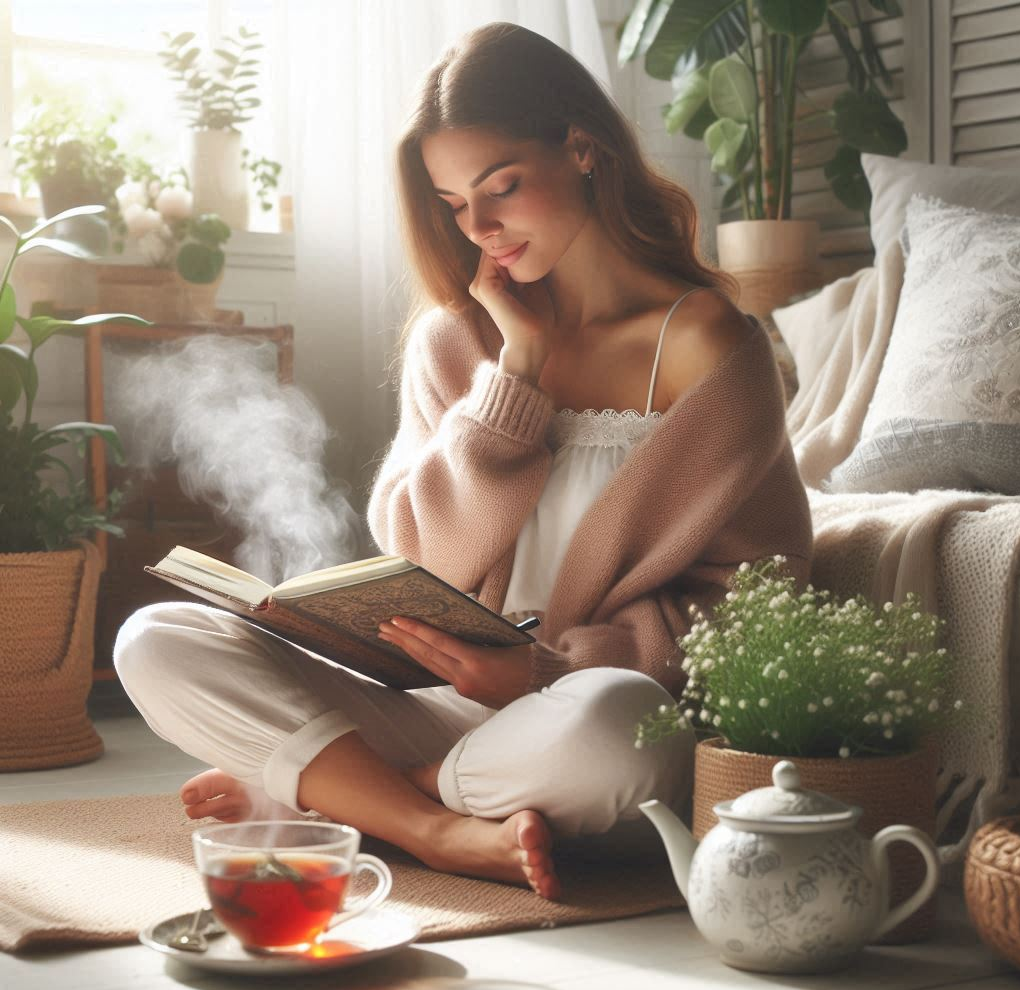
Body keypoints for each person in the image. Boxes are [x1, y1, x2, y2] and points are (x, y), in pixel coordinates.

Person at [114, 22, 812, 902]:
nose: (480, 229)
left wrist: (540, 672)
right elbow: (426, 554)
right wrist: (511, 376)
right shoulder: (460, 337)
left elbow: (753, 603)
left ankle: (347, 800)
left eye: (502, 188)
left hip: (586, 710)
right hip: (443, 707)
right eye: (453, 204)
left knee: (609, 730)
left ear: (584, 150)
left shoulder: (711, 346)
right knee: (157, 638)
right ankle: (433, 828)